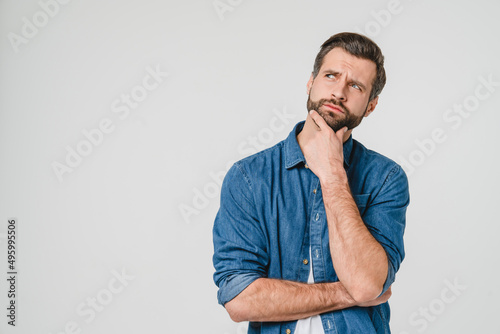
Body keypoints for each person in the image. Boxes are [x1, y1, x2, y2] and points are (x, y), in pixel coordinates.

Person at [212, 32, 410, 334]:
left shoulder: (386, 178)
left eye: (355, 85)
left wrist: (332, 172)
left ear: (370, 106)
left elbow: (367, 282)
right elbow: (240, 300)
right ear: (311, 82)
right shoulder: (249, 177)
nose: (339, 92)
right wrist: (348, 294)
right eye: (331, 76)